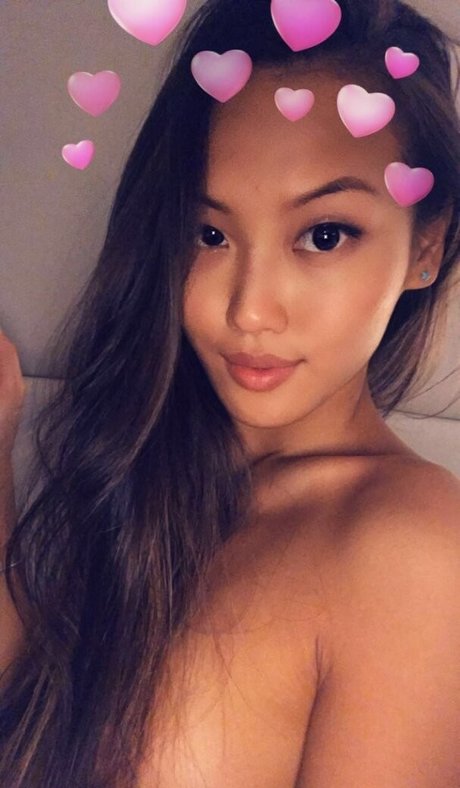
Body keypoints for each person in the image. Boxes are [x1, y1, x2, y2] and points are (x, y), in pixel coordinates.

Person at [1, 0, 460, 784]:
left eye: (323, 235)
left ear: (427, 245)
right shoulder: (150, 468)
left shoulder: (415, 551)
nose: (248, 309)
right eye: (208, 233)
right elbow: (31, 717)